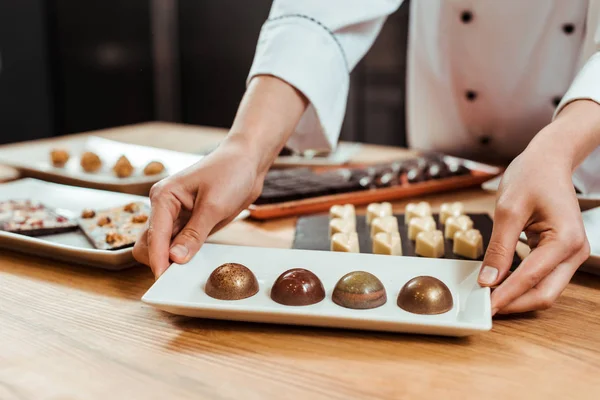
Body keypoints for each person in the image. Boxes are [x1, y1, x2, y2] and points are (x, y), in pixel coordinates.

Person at [134, 0, 600, 315]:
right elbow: (322, 8)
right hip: (449, 144)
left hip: (582, 159)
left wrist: (560, 146)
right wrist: (247, 148)